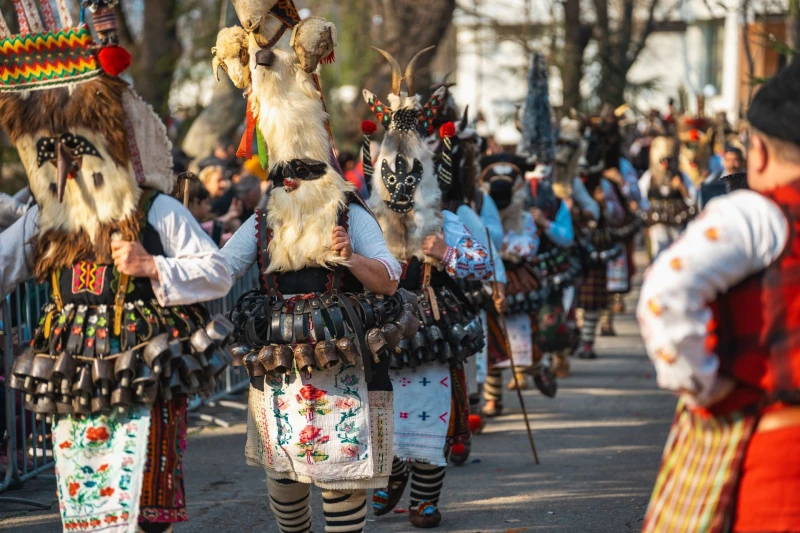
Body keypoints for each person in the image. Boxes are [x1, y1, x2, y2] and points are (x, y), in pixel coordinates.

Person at [0, 6, 234, 532]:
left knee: (147, 510)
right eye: (54, 151)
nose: (65, 164)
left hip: (145, 373)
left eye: (77, 148)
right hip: (73, 379)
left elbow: (217, 273)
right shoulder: (43, 221)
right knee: (89, 510)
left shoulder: (156, 209)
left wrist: (154, 266)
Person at [214, 6, 410, 533]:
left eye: (303, 173)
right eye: (285, 176)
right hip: (278, 358)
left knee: (341, 474)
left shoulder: (349, 211)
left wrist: (352, 259)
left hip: (342, 356)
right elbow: (221, 269)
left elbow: (390, 278)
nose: (293, 184)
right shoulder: (262, 216)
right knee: (283, 477)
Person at [638, 59, 800, 533]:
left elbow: (664, 296)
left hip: (780, 452)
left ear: (762, 153)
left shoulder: (756, 212)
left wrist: (706, 386)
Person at [362, 48, 493, 529]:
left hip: (433, 325)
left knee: (430, 410)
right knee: (384, 411)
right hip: (379, 328)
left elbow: (482, 267)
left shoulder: (447, 220)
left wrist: (446, 255)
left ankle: (424, 498)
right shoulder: (366, 220)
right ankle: (391, 479)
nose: (400, 185)